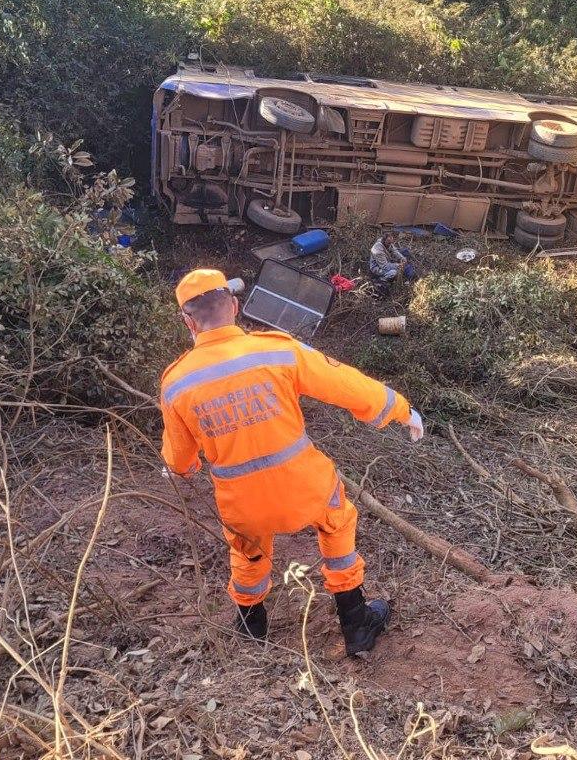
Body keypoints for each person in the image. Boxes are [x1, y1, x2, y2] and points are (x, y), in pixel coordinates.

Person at [159, 268, 425, 655]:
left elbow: (180, 461)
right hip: (305, 490)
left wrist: (176, 468)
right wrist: (401, 409)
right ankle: (356, 624)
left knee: (246, 548)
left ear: (188, 321)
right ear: (234, 306)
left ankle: (252, 628)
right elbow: (347, 385)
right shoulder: (278, 349)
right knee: (337, 522)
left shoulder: (177, 382)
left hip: (243, 505)